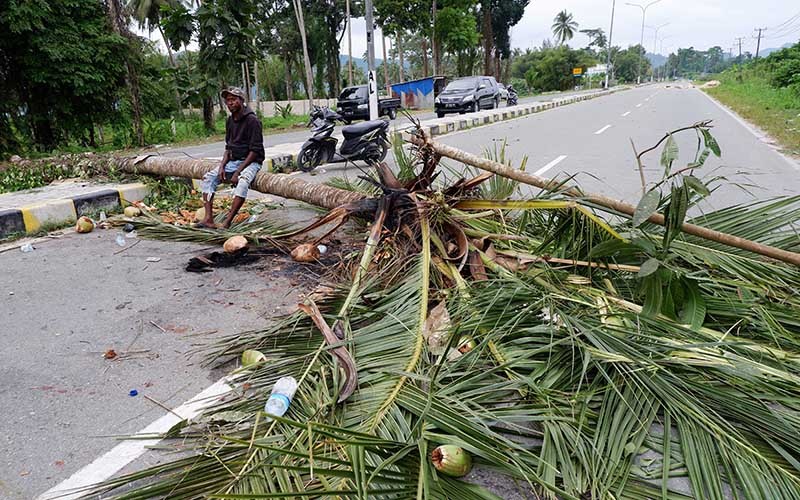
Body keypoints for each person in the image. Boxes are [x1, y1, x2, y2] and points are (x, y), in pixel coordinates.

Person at [199, 86, 265, 229]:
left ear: (241, 100)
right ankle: (208, 218)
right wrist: (222, 166)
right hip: (233, 160)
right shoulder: (230, 120)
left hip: (251, 161)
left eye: (233, 99)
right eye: (228, 100)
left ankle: (227, 221)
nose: (230, 103)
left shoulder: (252, 120)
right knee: (208, 178)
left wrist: (237, 172)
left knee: (242, 182)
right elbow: (228, 147)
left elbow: (255, 151)